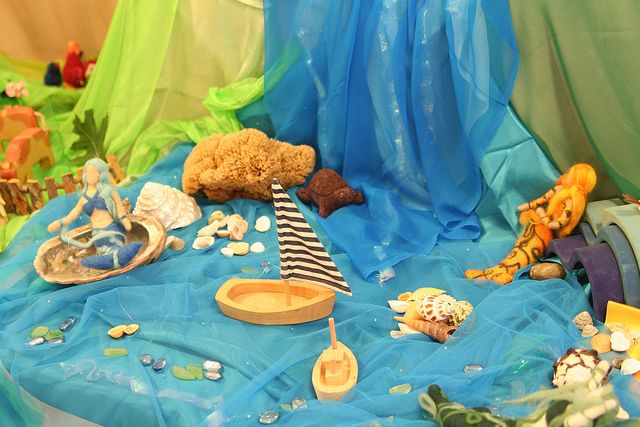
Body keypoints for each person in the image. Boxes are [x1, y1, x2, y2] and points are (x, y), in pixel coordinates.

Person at [47, 158, 141, 270]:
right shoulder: (83, 198)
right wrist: (60, 222)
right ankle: (107, 260)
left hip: (112, 230)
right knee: (103, 251)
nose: (89, 175)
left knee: (115, 249)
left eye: (93, 171)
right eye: (87, 171)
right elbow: (73, 214)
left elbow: (118, 206)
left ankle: (116, 256)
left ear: (101, 174)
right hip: (97, 234)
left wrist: (124, 219)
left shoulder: (109, 191)